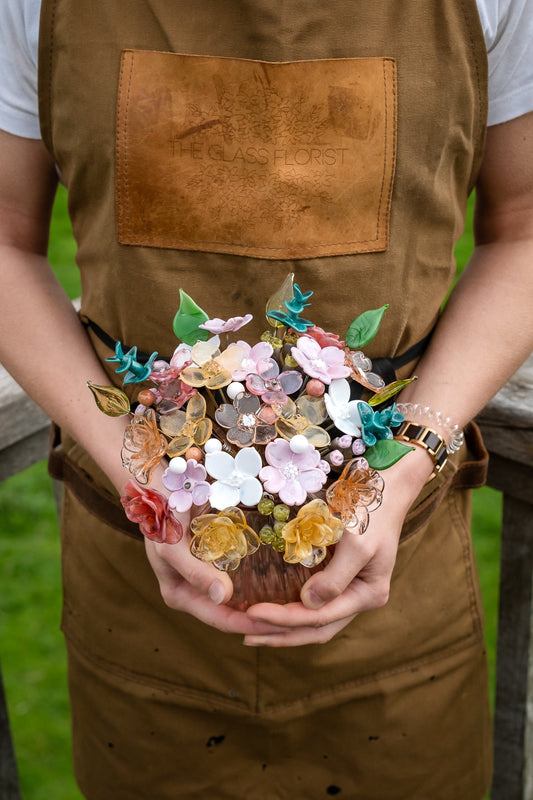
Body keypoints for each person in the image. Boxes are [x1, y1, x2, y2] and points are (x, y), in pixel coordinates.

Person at [1, 1, 532, 798]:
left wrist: (408, 461)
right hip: (137, 587)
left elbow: (523, 227)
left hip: (399, 578)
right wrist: (141, 478)